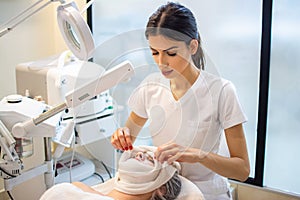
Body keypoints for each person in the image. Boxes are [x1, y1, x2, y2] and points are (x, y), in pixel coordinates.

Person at [111, 2, 250, 200]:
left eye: (171, 53)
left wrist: (198, 155)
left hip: (206, 192)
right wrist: (121, 137)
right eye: (154, 52)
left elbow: (242, 170)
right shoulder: (150, 87)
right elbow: (127, 142)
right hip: (163, 189)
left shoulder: (222, 91)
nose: (161, 62)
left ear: (192, 46)